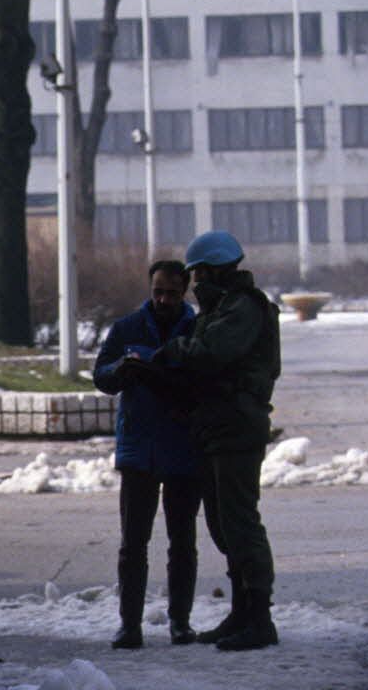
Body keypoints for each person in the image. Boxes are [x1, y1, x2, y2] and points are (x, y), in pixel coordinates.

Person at [153, 230, 281, 651]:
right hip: (217, 424)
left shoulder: (243, 307)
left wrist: (176, 350)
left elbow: (212, 352)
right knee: (224, 525)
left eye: (199, 274)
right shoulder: (224, 306)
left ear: (214, 270)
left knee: (240, 522)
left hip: (237, 424)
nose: (196, 284)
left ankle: (259, 619)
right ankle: (242, 611)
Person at [94, 260, 203, 649]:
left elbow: (201, 382)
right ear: (150, 287)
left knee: (182, 541)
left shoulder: (196, 329)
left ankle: (180, 622)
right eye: (158, 290)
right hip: (138, 449)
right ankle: (129, 625)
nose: (163, 299)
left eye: (172, 293)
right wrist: (121, 370)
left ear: (184, 291)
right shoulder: (127, 328)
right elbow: (101, 376)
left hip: (183, 449)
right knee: (132, 543)